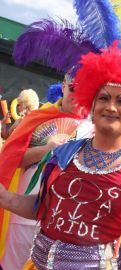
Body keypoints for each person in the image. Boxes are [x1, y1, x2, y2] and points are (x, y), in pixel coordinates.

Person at [0, 46, 121, 270]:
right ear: (92, 104)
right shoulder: (63, 154)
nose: (110, 107)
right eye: (103, 98)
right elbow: (45, 208)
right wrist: (6, 198)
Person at [0, 78, 81, 270]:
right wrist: (46, 149)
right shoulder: (38, 117)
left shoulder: (95, 128)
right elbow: (12, 160)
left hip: (66, 221)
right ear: (64, 86)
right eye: (74, 88)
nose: (79, 95)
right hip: (22, 214)